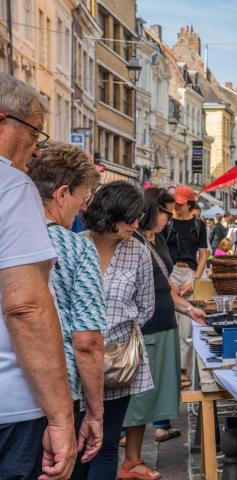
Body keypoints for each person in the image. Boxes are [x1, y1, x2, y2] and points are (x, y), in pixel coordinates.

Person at [0, 73, 77, 480]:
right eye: (34, 132)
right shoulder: (10, 185)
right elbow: (25, 305)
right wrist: (62, 419)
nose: (35, 150)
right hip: (8, 407)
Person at [28, 142, 107, 466]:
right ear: (62, 194)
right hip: (58, 394)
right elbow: (87, 342)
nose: (81, 209)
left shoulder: (9, 235)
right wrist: (95, 413)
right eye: (81, 199)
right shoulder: (77, 248)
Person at [120, 188, 206, 479]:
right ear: (150, 210)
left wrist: (187, 309)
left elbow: (164, 284)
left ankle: (134, 459)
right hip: (147, 326)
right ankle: (130, 460)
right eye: (165, 212)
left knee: (154, 393)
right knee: (140, 395)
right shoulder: (133, 240)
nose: (169, 218)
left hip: (164, 319)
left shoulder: (156, 239)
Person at [76, 181, 155, 480]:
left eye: (139, 217)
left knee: (107, 443)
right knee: (76, 441)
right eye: (130, 217)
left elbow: (146, 308)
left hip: (117, 362)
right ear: (111, 214)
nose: (136, 224)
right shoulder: (77, 246)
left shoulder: (138, 252)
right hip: (76, 360)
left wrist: (118, 332)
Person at [162, 185, 208, 389]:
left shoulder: (198, 224)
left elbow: (203, 254)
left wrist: (195, 280)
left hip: (188, 272)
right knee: (169, 321)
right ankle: (171, 370)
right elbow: (160, 250)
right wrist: (166, 279)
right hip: (170, 272)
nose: (176, 207)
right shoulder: (167, 223)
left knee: (187, 328)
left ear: (189, 204)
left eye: (180, 204)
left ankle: (183, 371)